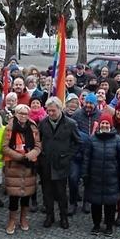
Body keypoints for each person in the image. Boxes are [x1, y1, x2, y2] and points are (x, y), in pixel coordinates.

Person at [38, 97, 81, 229]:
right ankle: (49, 216)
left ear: (60, 109)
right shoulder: (43, 123)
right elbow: (38, 141)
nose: (50, 113)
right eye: (48, 111)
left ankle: (63, 217)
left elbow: (78, 142)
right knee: (47, 192)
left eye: (53, 110)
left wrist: (68, 156)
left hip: (61, 163)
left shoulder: (70, 123)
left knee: (62, 193)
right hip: (46, 163)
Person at [82, 113, 120, 236]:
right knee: (95, 204)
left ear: (110, 125)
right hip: (95, 176)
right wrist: (85, 174)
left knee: (110, 204)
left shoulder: (117, 140)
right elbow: (86, 158)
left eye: (107, 123)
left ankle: (109, 226)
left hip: (111, 177)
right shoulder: (92, 139)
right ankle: (96, 225)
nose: (104, 125)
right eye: (103, 123)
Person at [2, 104, 42, 234]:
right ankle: (12, 220)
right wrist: (19, 157)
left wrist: (30, 156)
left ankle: (23, 218)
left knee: (27, 195)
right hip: (14, 166)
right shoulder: (9, 128)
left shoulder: (33, 127)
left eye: (25, 114)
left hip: (29, 166)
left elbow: (38, 146)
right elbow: (5, 147)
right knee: (14, 196)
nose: (23, 116)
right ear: (16, 114)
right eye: (20, 113)